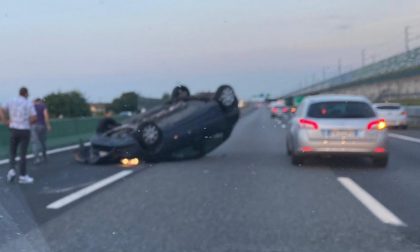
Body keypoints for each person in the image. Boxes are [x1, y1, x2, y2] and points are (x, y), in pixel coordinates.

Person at [2, 87, 37, 184]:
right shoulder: (28, 103)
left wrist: (5, 121)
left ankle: (11, 169)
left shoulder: (11, 100)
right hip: (24, 130)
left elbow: (1, 109)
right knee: (22, 154)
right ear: (25, 93)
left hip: (13, 129)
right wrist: (27, 122)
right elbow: (34, 118)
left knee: (12, 152)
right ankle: (22, 175)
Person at [31, 98, 52, 164]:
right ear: (40, 101)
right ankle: (45, 156)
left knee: (35, 143)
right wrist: (48, 125)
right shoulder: (43, 106)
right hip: (42, 125)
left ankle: (36, 158)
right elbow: (46, 115)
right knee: (43, 142)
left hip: (33, 126)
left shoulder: (31, 107)